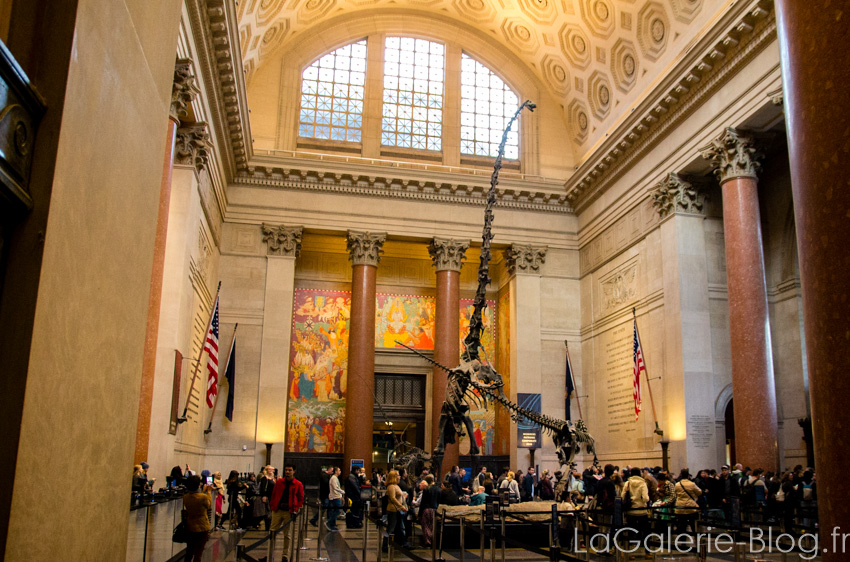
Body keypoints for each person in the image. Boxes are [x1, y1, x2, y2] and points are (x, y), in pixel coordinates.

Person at [270, 463, 305, 562]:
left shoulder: (298, 484)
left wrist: (296, 508)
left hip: (289, 511)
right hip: (278, 510)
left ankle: (285, 555)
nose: (287, 472)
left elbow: (301, 498)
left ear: (294, 471)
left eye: (289, 470)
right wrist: (273, 505)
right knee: (272, 532)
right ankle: (270, 552)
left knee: (287, 535)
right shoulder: (279, 482)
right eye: (286, 470)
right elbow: (274, 494)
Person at [183, 475, 213, 562]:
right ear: (198, 485)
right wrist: (209, 492)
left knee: (189, 550)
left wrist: (203, 491)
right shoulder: (203, 497)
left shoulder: (185, 497)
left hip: (190, 525)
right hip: (202, 526)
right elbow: (208, 504)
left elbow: (196, 498)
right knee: (198, 553)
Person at [621, 467, 650, 545]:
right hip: (642, 511)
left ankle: (630, 552)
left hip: (631, 511)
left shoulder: (627, 483)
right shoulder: (643, 483)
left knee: (631, 532)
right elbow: (645, 498)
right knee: (645, 531)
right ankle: (647, 552)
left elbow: (623, 496)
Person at [385, 470, 411, 549]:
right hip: (393, 509)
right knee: (391, 528)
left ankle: (403, 543)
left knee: (400, 527)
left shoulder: (396, 485)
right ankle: (385, 545)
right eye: (398, 475)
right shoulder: (391, 486)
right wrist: (401, 506)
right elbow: (393, 498)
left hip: (397, 510)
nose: (399, 476)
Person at [674, 468, 702, 533]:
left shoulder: (677, 484)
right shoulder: (691, 484)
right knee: (693, 524)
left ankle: (682, 539)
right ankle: (695, 536)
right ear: (688, 476)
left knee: (682, 525)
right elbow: (699, 492)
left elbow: (675, 493)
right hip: (690, 506)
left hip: (680, 507)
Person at [258, 465, 276, 530]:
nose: (271, 471)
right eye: (269, 469)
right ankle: (267, 526)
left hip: (273, 496)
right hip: (267, 496)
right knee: (268, 511)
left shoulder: (273, 478)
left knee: (271, 511)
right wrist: (264, 495)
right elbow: (262, 488)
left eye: (272, 469)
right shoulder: (264, 478)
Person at [326, 466, 343, 531]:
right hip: (335, 497)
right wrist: (343, 492)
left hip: (336, 496)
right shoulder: (334, 478)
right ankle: (329, 522)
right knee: (337, 510)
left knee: (335, 510)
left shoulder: (335, 478)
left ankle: (333, 525)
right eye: (339, 470)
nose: (340, 472)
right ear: (336, 471)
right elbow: (335, 488)